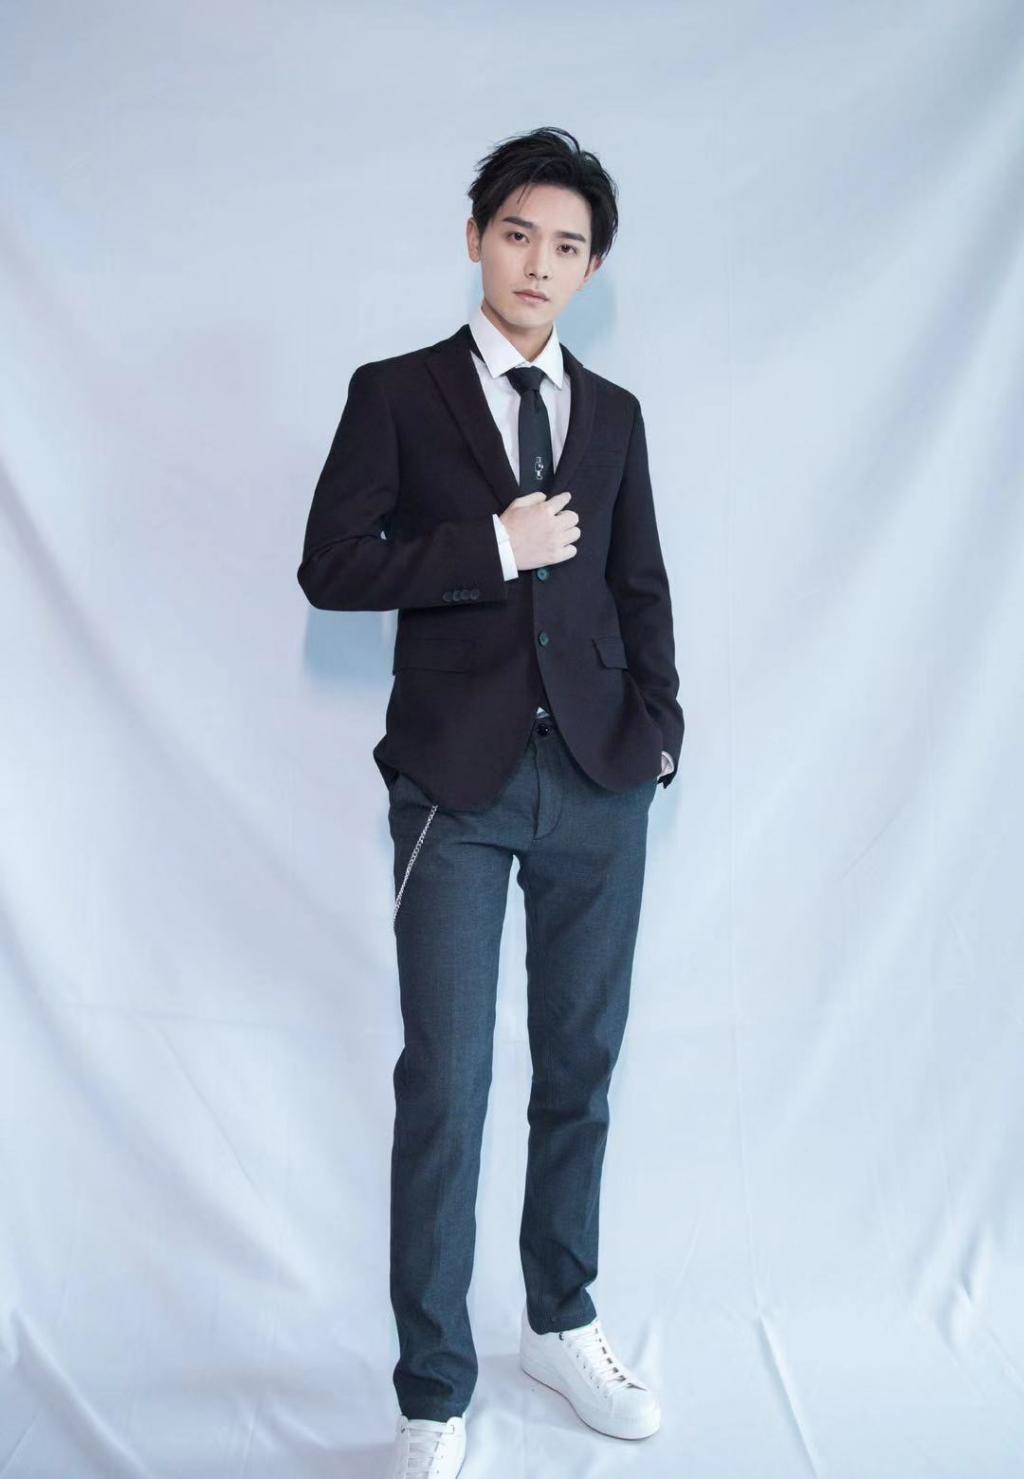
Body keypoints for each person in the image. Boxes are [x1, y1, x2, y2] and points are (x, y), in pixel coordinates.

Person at [297, 124, 684, 1479]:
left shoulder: (614, 415)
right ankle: (433, 1390)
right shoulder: (397, 393)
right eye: (518, 233)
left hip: (597, 782)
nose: (538, 263)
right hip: (453, 788)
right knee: (448, 1086)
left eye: (567, 245)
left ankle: (560, 1323)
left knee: (579, 1071)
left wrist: (660, 734)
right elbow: (332, 566)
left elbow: (640, 587)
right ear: (476, 238)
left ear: (591, 269)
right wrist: (490, 548)